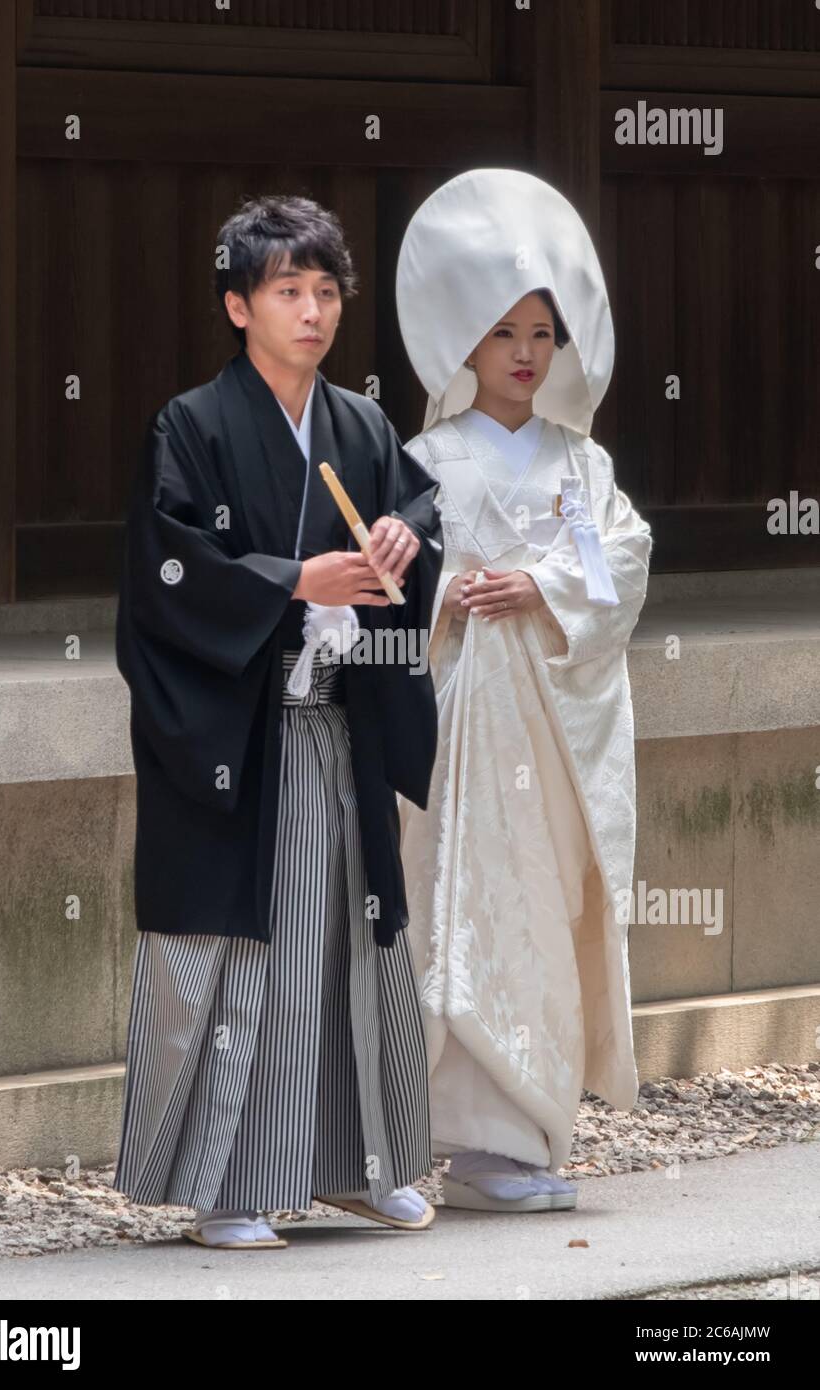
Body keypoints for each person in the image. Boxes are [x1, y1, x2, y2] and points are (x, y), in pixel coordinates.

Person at [113, 194, 444, 1248]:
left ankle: (364, 1163)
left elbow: (421, 512)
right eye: (287, 290)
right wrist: (294, 579)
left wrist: (399, 539)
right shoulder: (193, 427)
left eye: (326, 290)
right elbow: (165, 576)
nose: (312, 311)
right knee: (252, 957)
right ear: (237, 305)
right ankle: (229, 1188)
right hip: (246, 741)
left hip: (342, 730)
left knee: (356, 938)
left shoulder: (360, 424)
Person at [394, 168, 653, 1212]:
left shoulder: (579, 465)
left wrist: (540, 582)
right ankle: (468, 1141)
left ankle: (537, 1127)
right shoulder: (422, 458)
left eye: (541, 332)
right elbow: (384, 579)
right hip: (461, 718)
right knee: (457, 903)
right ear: (467, 342)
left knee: (542, 905)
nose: (523, 351)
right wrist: (452, 593)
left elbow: (618, 567)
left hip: (547, 728)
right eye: (504, 331)